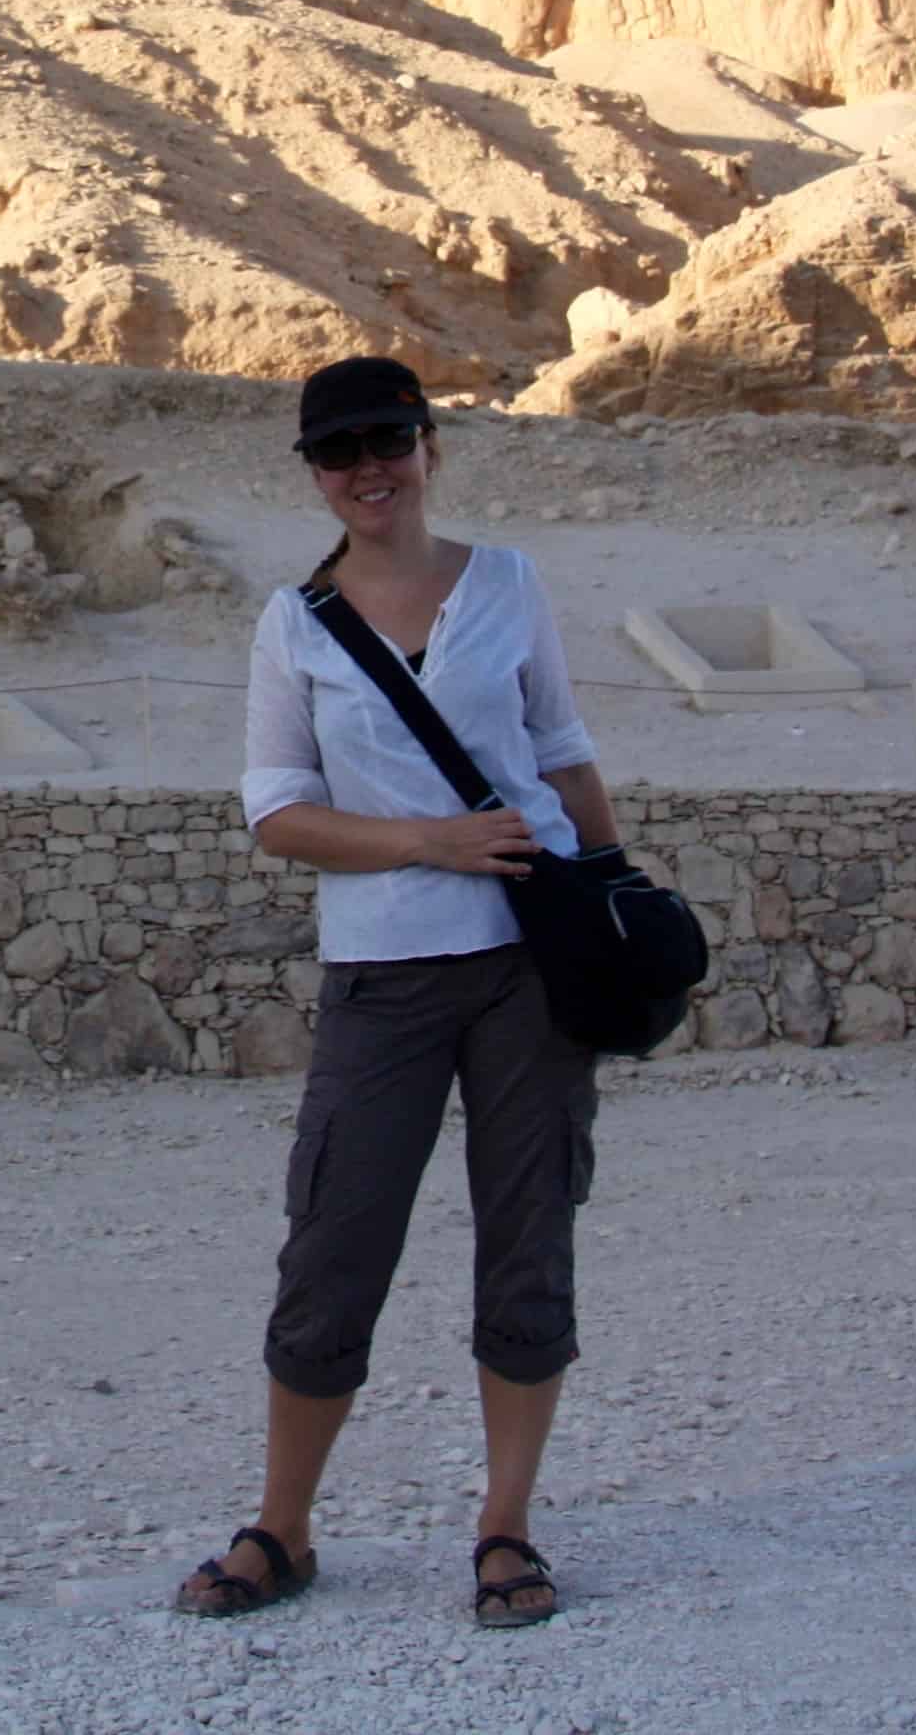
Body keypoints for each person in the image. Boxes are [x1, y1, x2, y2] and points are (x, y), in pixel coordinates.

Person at [174, 355, 623, 1631]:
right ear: (314, 473)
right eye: (338, 452)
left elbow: (561, 751)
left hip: (529, 963)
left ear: (431, 445)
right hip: (382, 967)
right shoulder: (294, 623)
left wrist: (616, 898)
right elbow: (276, 811)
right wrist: (430, 840)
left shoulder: (510, 584)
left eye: (388, 439)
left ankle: (506, 1528)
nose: (368, 468)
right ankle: (285, 1526)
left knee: (529, 1232)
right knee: (334, 1241)